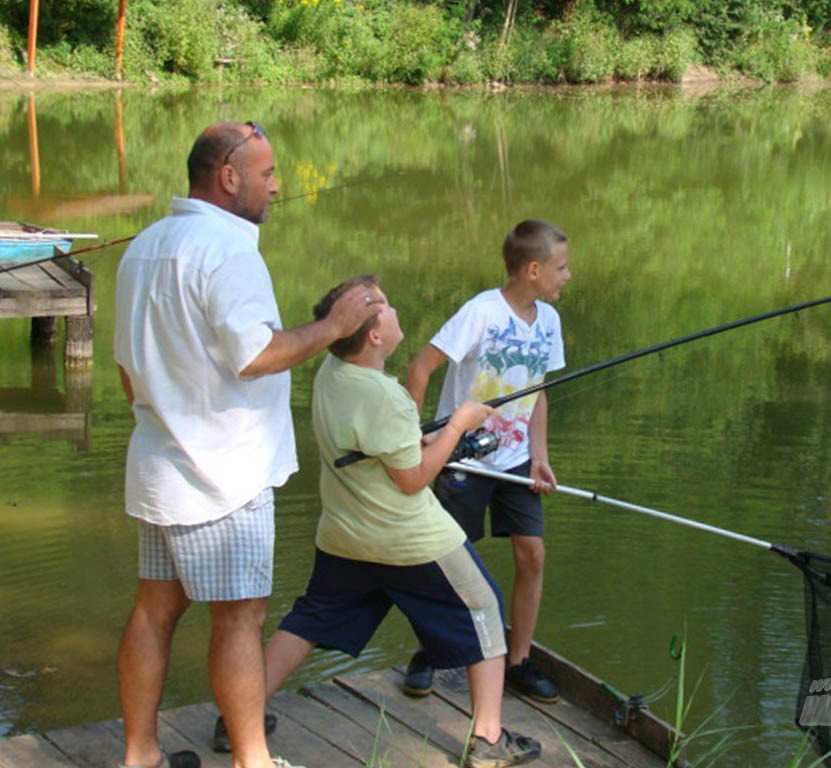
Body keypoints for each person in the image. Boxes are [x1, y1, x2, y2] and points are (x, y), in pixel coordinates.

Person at [113, 121, 381, 768]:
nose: (275, 184)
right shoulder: (231, 251)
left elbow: (126, 372)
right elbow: (256, 354)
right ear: (227, 178)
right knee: (240, 618)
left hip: (160, 463)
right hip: (223, 475)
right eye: (265, 173)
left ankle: (140, 755)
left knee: (154, 611)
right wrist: (333, 326)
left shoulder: (144, 246)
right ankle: (253, 761)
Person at [228, 275, 541, 768]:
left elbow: (380, 450)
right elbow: (413, 480)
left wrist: (422, 442)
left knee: (312, 618)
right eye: (388, 309)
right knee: (484, 611)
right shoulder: (385, 395)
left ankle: (238, 720)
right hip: (411, 541)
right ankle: (487, 740)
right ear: (374, 335)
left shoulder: (330, 373)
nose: (396, 314)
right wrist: (458, 424)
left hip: (344, 536)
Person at [402, 219, 571, 704]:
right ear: (533, 270)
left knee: (532, 553)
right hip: (462, 458)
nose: (568, 275)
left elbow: (538, 393)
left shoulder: (550, 322)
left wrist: (539, 456)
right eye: (561, 267)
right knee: (448, 561)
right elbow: (419, 368)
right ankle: (429, 652)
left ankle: (518, 661)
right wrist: (413, 442)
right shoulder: (481, 312)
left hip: (516, 461)